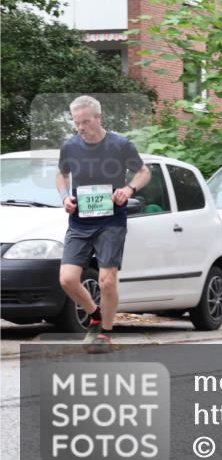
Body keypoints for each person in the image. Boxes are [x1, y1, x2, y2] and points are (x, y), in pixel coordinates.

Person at [56, 95, 151, 353]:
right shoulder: (70, 146)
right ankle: (95, 315)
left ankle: (106, 334)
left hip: (111, 220)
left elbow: (144, 172)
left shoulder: (120, 144)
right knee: (67, 279)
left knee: (107, 281)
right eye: (77, 122)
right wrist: (65, 197)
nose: (81, 127)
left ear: (98, 118)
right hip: (80, 220)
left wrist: (128, 189)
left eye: (85, 121)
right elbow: (61, 175)